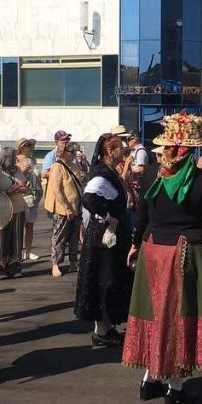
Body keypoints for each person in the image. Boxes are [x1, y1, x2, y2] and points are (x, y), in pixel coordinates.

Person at [123, 112, 202, 404]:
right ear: (193, 149)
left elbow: (142, 217)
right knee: (179, 318)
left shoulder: (151, 173)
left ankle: (149, 380)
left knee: (156, 315)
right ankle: (174, 388)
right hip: (184, 253)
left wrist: (135, 245)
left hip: (153, 251)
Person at [76, 133, 133, 347]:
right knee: (104, 280)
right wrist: (109, 217)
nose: (124, 151)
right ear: (110, 151)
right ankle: (101, 331)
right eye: (120, 148)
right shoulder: (101, 175)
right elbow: (88, 198)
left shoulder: (110, 172)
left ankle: (106, 328)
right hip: (102, 238)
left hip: (108, 237)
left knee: (109, 279)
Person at [43, 141, 82, 277]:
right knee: (59, 237)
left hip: (76, 206)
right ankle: (56, 264)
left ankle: (73, 262)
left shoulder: (74, 166)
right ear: (64, 152)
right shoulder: (57, 167)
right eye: (72, 152)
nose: (75, 154)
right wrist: (67, 207)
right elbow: (56, 190)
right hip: (63, 208)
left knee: (74, 237)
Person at [0, 148, 27, 280]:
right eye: (14, 156)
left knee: (16, 237)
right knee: (2, 238)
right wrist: (9, 191)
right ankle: (0, 265)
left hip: (18, 208)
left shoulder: (16, 170)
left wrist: (19, 189)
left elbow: (24, 186)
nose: (16, 158)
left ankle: (14, 264)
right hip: (2, 210)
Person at [15, 138, 43, 263]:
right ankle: (18, 251)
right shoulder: (16, 159)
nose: (29, 147)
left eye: (30, 145)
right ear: (20, 147)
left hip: (34, 195)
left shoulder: (32, 159)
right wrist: (22, 171)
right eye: (26, 145)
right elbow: (13, 177)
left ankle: (28, 251)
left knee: (30, 225)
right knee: (20, 226)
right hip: (22, 196)